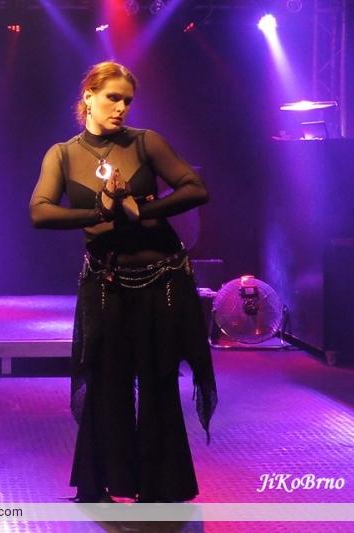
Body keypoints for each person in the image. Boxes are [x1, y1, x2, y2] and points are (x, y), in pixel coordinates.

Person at [29, 61, 217, 503]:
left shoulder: (145, 141)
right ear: (88, 96)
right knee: (107, 380)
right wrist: (102, 211)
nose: (121, 107)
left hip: (160, 277)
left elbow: (195, 188)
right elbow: (40, 211)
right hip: (106, 281)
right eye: (112, 97)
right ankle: (110, 482)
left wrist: (140, 209)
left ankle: (161, 486)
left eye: (127, 100)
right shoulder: (63, 154)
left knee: (157, 379)